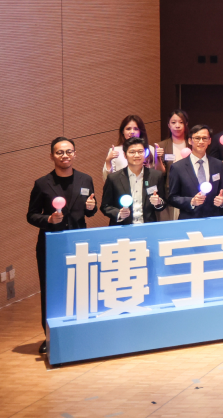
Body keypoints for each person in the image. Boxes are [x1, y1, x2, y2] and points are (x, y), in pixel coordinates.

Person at [28, 138, 97, 356]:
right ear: (52, 156)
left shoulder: (86, 179)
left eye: (69, 151)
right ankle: (50, 337)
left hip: (78, 244)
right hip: (51, 245)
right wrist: (48, 219)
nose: (65, 155)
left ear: (75, 153)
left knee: (80, 289)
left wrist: (91, 207)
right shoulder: (42, 183)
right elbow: (31, 215)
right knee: (51, 291)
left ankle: (80, 333)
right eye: (59, 152)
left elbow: (90, 212)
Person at [101, 137, 167, 225]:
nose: (137, 155)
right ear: (125, 155)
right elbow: (105, 206)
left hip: (148, 226)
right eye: (132, 152)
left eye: (140, 151)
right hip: (123, 227)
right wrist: (119, 214)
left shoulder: (156, 175)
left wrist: (158, 202)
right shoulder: (114, 178)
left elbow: (164, 202)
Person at [167, 124, 223, 218]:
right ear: (190, 141)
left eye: (205, 138)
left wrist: (222, 201)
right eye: (197, 138)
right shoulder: (178, 167)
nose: (201, 141)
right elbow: (172, 198)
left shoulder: (218, 164)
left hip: (213, 218)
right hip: (189, 218)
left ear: (209, 141)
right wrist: (191, 201)